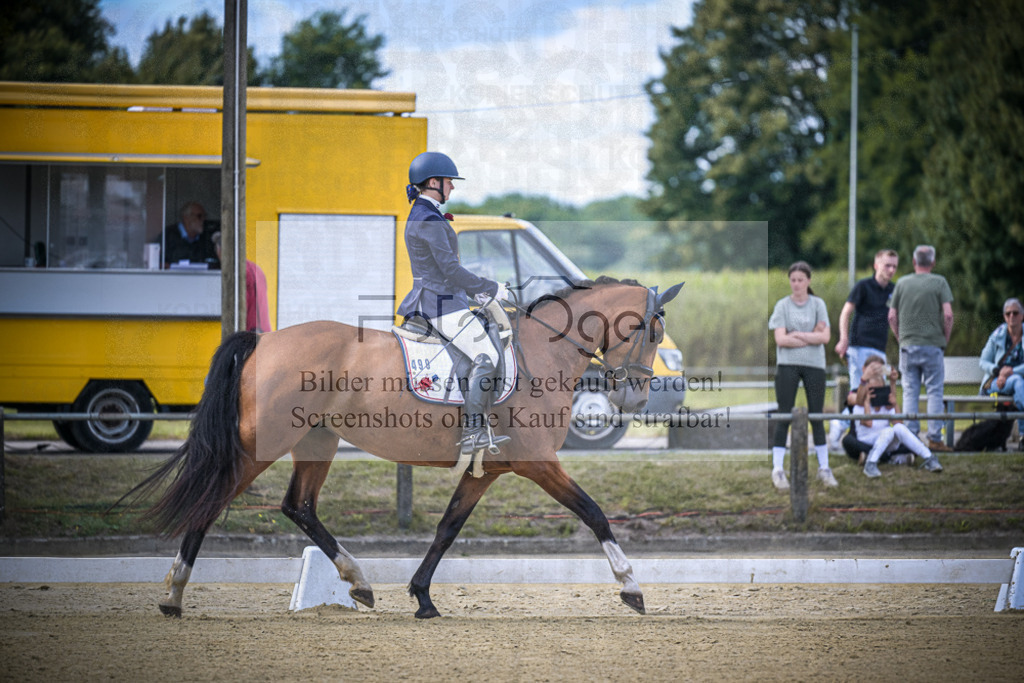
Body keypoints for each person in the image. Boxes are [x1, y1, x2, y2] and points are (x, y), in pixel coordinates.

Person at [396, 152, 510, 457]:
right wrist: (492, 288)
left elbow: (443, 270)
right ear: (434, 182)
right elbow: (450, 270)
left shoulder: (423, 214)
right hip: (440, 304)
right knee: (486, 357)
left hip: (441, 298)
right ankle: (473, 431)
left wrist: (477, 295)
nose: (453, 188)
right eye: (449, 182)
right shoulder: (429, 219)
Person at [768, 261, 837, 490]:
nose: (796, 284)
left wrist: (796, 334)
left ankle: (824, 467)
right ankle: (778, 469)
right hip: (788, 365)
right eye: (793, 280)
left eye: (800, 280)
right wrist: (810, 335)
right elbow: (781, 340)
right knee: (784, 415)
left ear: (808, 281)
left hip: (814, 366)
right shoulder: (782, 306)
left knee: (816, 416)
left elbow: (825, 337)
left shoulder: (818, 304)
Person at [829, 249, 899, 452]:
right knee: (858, 393)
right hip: (859, 347)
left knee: (876, 394)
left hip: (879, 350)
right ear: (877, 265)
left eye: (894, 266)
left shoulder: (893, 291)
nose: (891, 270)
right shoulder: (863, 286)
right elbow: (845, 313)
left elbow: (894, 319)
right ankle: (839, 427)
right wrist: (844, 339)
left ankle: (859, 433)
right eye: (887, 265)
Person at [887, 245, 954, 452]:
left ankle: (911, 438)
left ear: (914, 262)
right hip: (933, 345)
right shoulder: (939, 282)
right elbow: (948, 315)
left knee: (909, 391)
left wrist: (901, 338)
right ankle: (934, 439)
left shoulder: (902, 283)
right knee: (934, 391)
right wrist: (945, 338)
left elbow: (891, 315)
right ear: (932, 263)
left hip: (908, 346)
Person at [851, 356, 944, 478]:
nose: (876, 393)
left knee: (896, 429)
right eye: (873, 389)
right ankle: (871, 464)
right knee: (888, 431)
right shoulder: (860, 404)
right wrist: (867, 403)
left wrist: (894, 402)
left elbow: (899, 424)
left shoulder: (886, 405)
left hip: (886, 440)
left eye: (880, 389)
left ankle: (930, 458)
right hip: (867, 440)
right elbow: (868, 423)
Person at [978, 297, 1024, 450]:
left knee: (1018, 385)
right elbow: (983, 361)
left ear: (1022, 315)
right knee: (1017, 382)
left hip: (1017, 382)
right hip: (995, 383)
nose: (1012, 316)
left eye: (1015, 313)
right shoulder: (997, 336)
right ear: (1004, 316)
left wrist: (1010, 372)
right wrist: (998, 372)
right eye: (1008, 313)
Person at [211, 231, 272, 334]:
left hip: (250, 331)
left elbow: (236, 306)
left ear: (221, 250)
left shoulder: (237, 271)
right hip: (263, 330)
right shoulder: (255, 268)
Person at [161, 201, 219, 268]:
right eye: (199, 216)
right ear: (186, 218)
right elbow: (158, 263)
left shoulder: (207, 237)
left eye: (204, 216)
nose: (203, 220)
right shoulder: (167, 235)